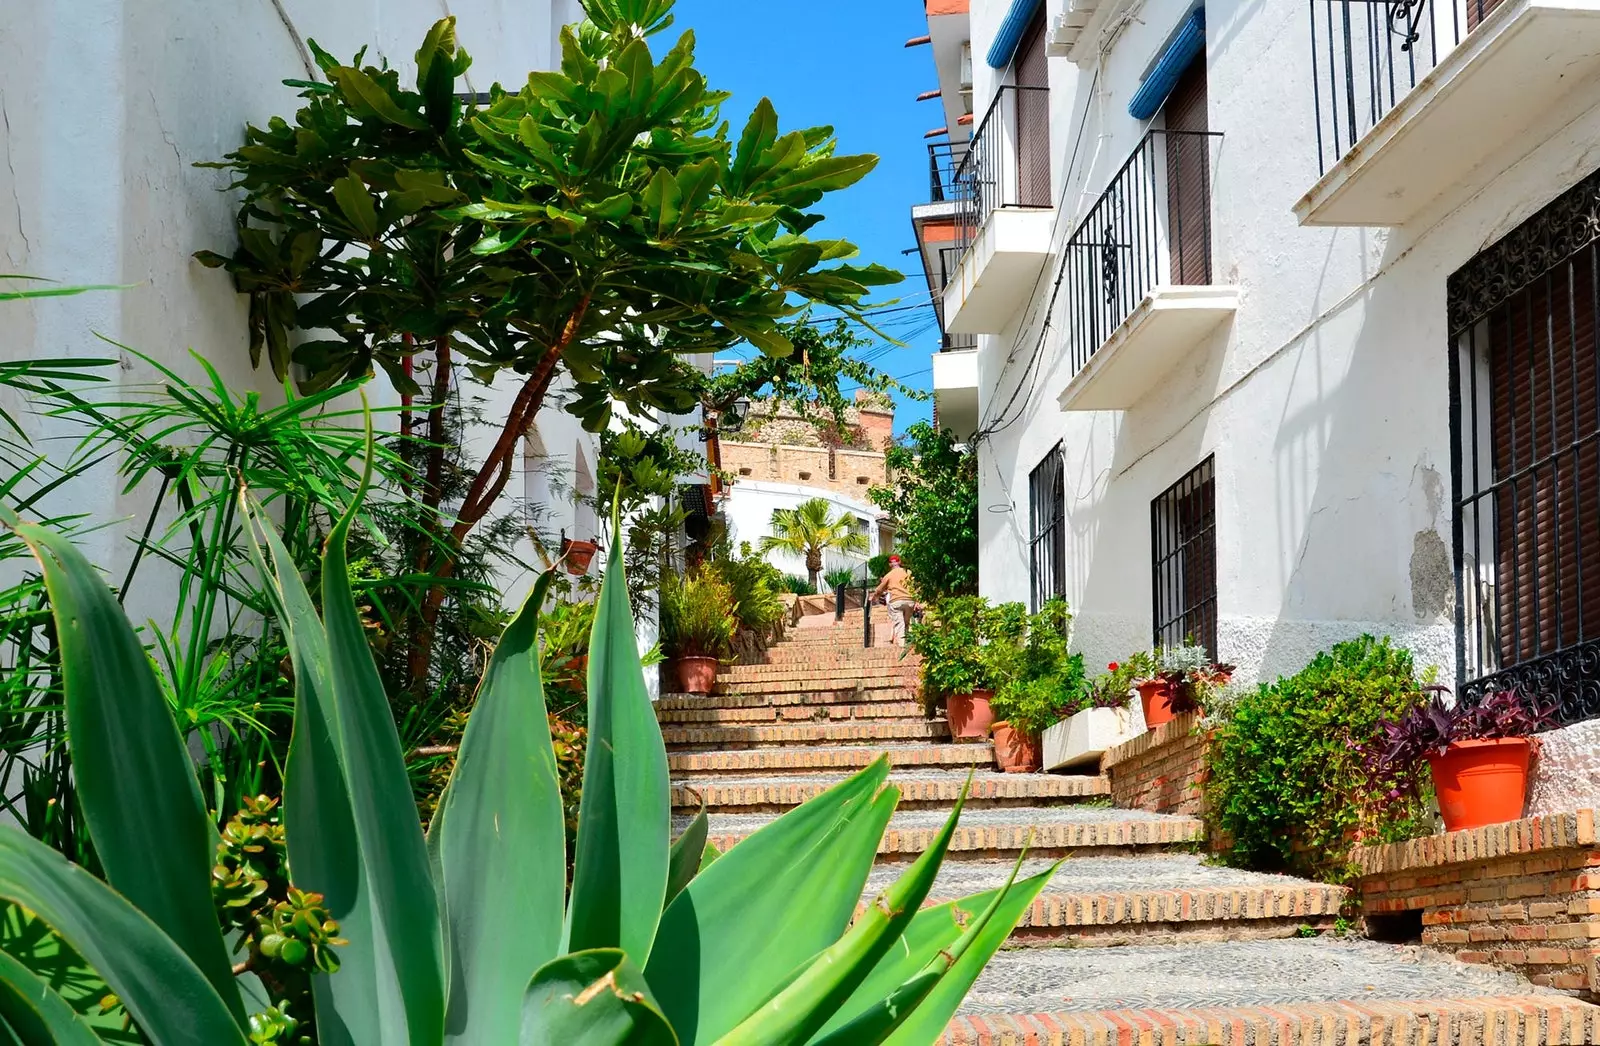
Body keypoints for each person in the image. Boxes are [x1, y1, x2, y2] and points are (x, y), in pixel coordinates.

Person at [872, 554, 918, 646]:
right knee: (906, 622)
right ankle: (908, 643)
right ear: (899, 562)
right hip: (909, 600)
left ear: (890, 565)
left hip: (896, 601)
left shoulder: (888, 575)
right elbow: (914, 585)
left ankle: (902, 646)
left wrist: (874, 596)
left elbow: (879, 589)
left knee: (899, 623)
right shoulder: (908, 572)